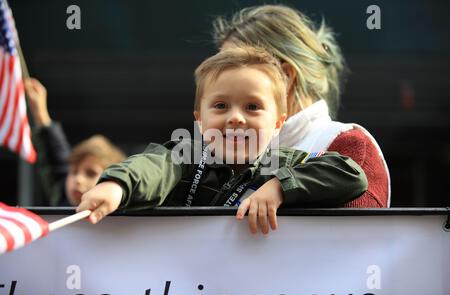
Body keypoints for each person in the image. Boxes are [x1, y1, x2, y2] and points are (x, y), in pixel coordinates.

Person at [76, 46, 368, 234]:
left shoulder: (286, 162)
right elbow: (151, 166)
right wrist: (117, 186)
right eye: (220, 106)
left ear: (278, 122)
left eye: (252, 107)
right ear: (200, 121)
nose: (236, 118)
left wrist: (280, 186)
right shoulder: (185, 155)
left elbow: (352, 175)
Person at [212, 4, 390, 207]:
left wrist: (283, 186)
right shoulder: (226, 155)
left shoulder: (350, 144)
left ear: (285, 76)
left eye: (234, 69)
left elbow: (358, 236)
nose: (220, 83)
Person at [24, 78, 126, 206]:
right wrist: (40, 113)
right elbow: (55, 156)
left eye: (91, 173)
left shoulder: (123, 220)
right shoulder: (62, 195)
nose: (78, 180)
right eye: (74, 171)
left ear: (113, 183)